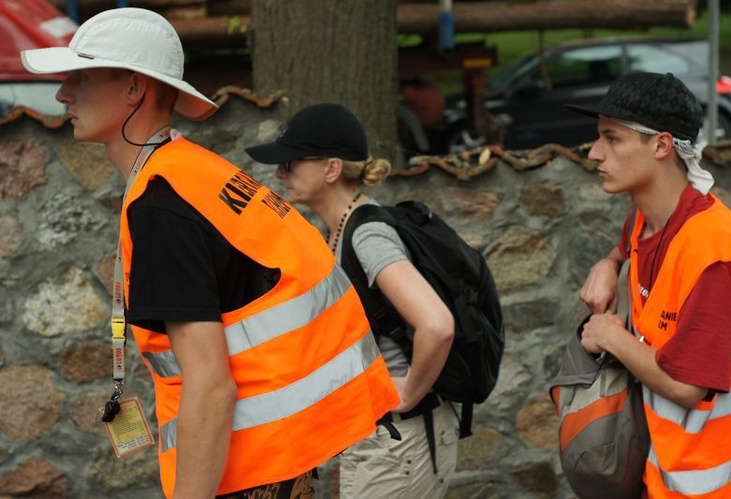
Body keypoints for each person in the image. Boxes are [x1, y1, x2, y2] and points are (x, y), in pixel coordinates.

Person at [21, 9, 399, 499]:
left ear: (135, 89)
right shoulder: (196, 172)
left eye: (81, 77)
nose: (62, 93)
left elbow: (211, 385)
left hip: (249, 468)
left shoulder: (162, 205)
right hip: (284, 458)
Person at [245, 103, 459, 499]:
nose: (279, 173)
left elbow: (438, 324)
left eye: (290, 163)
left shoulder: (366, 235)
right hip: (389, 439)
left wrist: (409, 390)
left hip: (400, 440)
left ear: (331, 169)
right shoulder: (338, 231)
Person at [569, 72, 731, 497]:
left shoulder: (713, 249)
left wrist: (611, 335)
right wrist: (607, 263)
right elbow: (630, 240)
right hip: (663, 472)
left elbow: (687, 387)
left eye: (611, 138)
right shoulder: (646, 218)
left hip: (717, 484)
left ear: (661, 145)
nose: (594, 153)